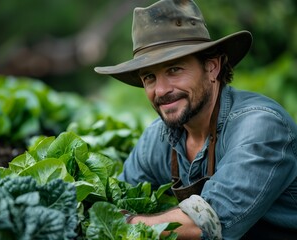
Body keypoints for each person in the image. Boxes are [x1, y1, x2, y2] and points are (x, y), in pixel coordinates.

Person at [94, 0, 297, 239]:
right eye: (149, 77)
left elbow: (208, 223)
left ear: (212, 67)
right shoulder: (156, 139)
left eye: (174, 70)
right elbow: (120, 196)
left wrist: (122, 222)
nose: (160, 90)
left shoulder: (260, 126)